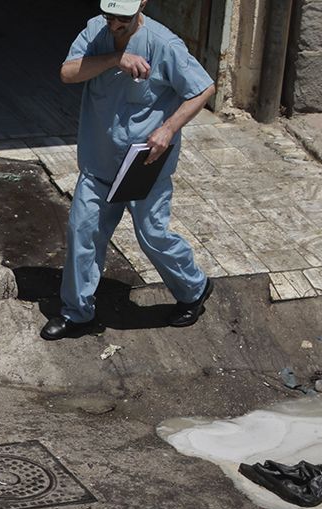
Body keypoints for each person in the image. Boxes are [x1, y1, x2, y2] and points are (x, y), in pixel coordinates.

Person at [46, 0, 216, 341]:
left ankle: (194, 288)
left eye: (121, 18)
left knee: (152, 235)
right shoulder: (96, 30)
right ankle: (77, 313)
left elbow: (202, 89)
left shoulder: (163, 43)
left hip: (144, 164)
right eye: (109, 16)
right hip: (98, 160)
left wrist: (168, 130)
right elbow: (68, 72)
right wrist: (114, 59)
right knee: (84, 232)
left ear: (141, 5)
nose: (113, 25)